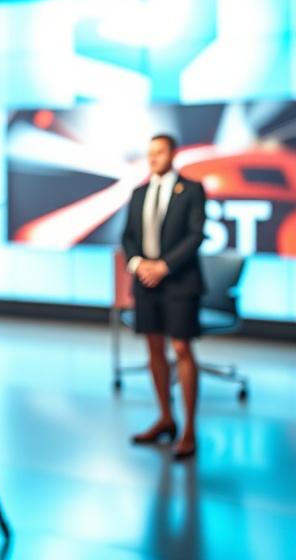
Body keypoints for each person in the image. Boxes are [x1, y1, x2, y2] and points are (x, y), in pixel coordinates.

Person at [121, 133, 206, 461]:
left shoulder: (192, 190)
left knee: (182, 347)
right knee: (153, 347)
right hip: (146, 283)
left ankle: (189, 429)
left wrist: (165, 266)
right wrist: (138, 263)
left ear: (173, 153)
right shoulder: (139, 193)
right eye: (149, 153)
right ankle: (166, 418)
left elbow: (196, 234)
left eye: (159, 152)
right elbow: (128, 236)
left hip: (180, 281)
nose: (153, 158)